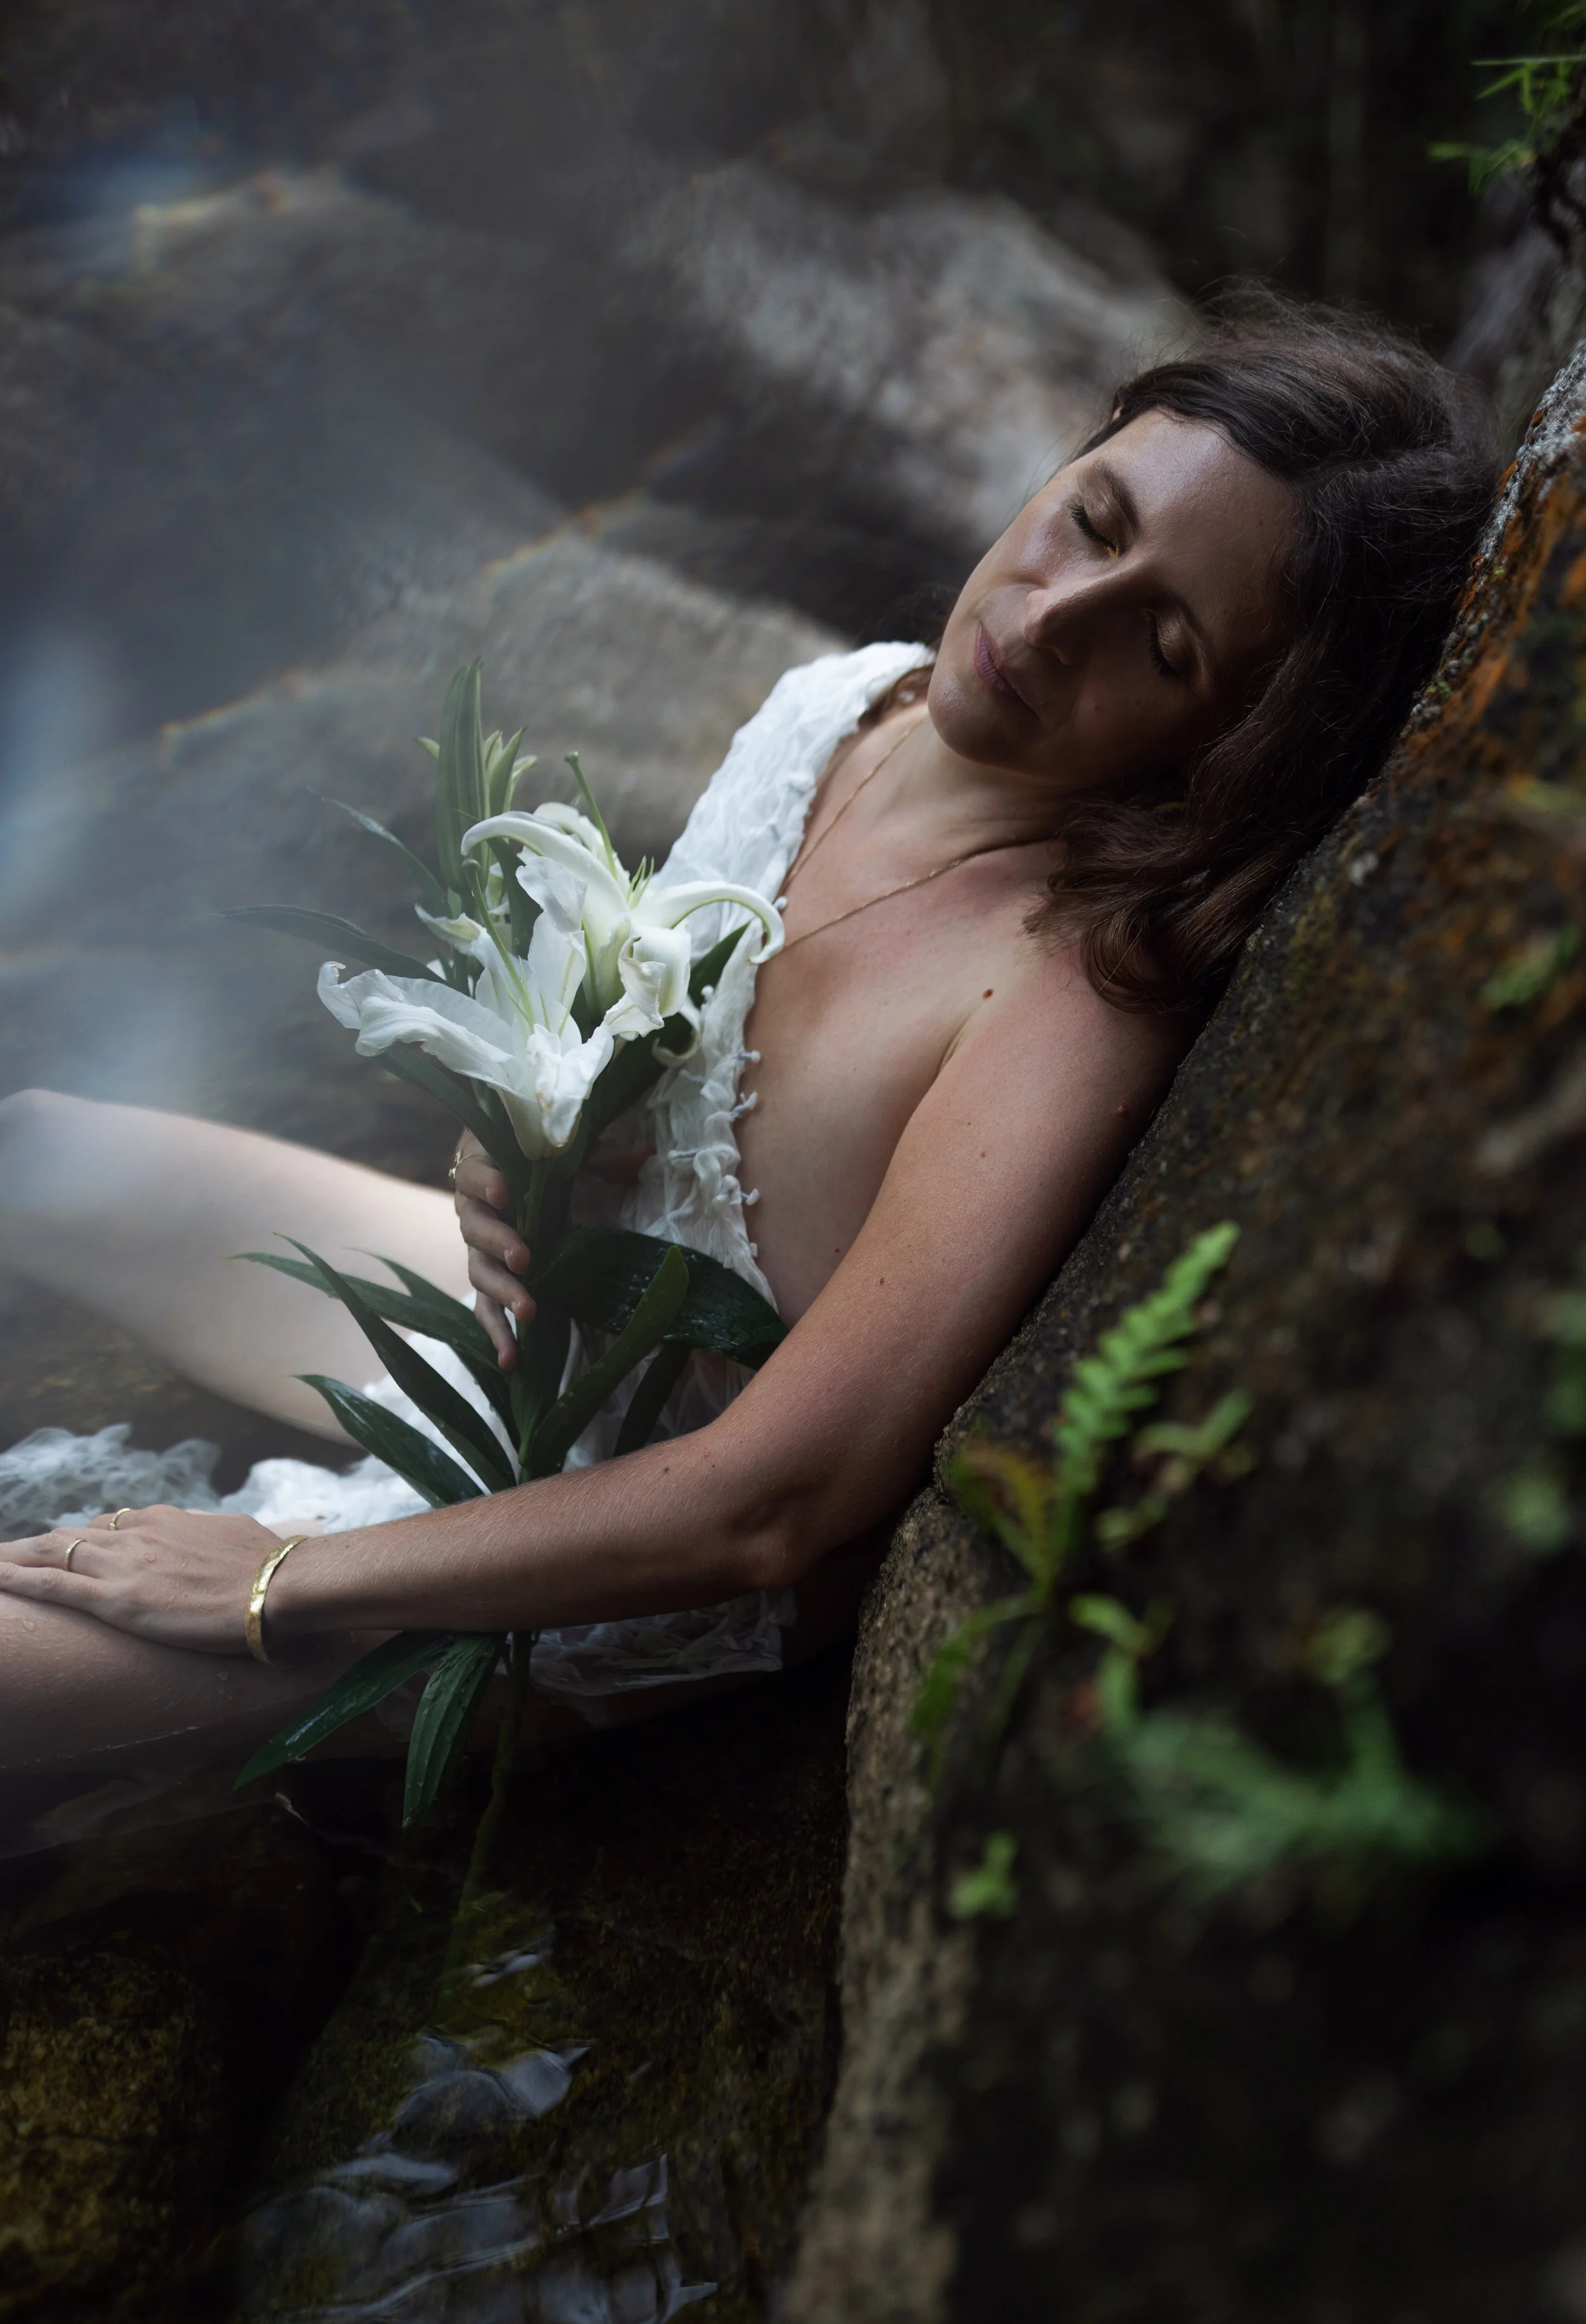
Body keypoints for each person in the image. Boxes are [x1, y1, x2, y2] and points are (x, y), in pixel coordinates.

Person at [0, 308, 1497, 1780]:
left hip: (619, 1545)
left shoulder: (1068, 999)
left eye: (1158, 648)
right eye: (1091, 520)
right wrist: (514, 1146)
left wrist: (275, 1580)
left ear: (1231, 740)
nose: (1052, 621)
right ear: (1073, 451)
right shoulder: (844, 706)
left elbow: (774, 1503)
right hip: (527, 1338)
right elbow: (638, 1061)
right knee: (34, 1148)